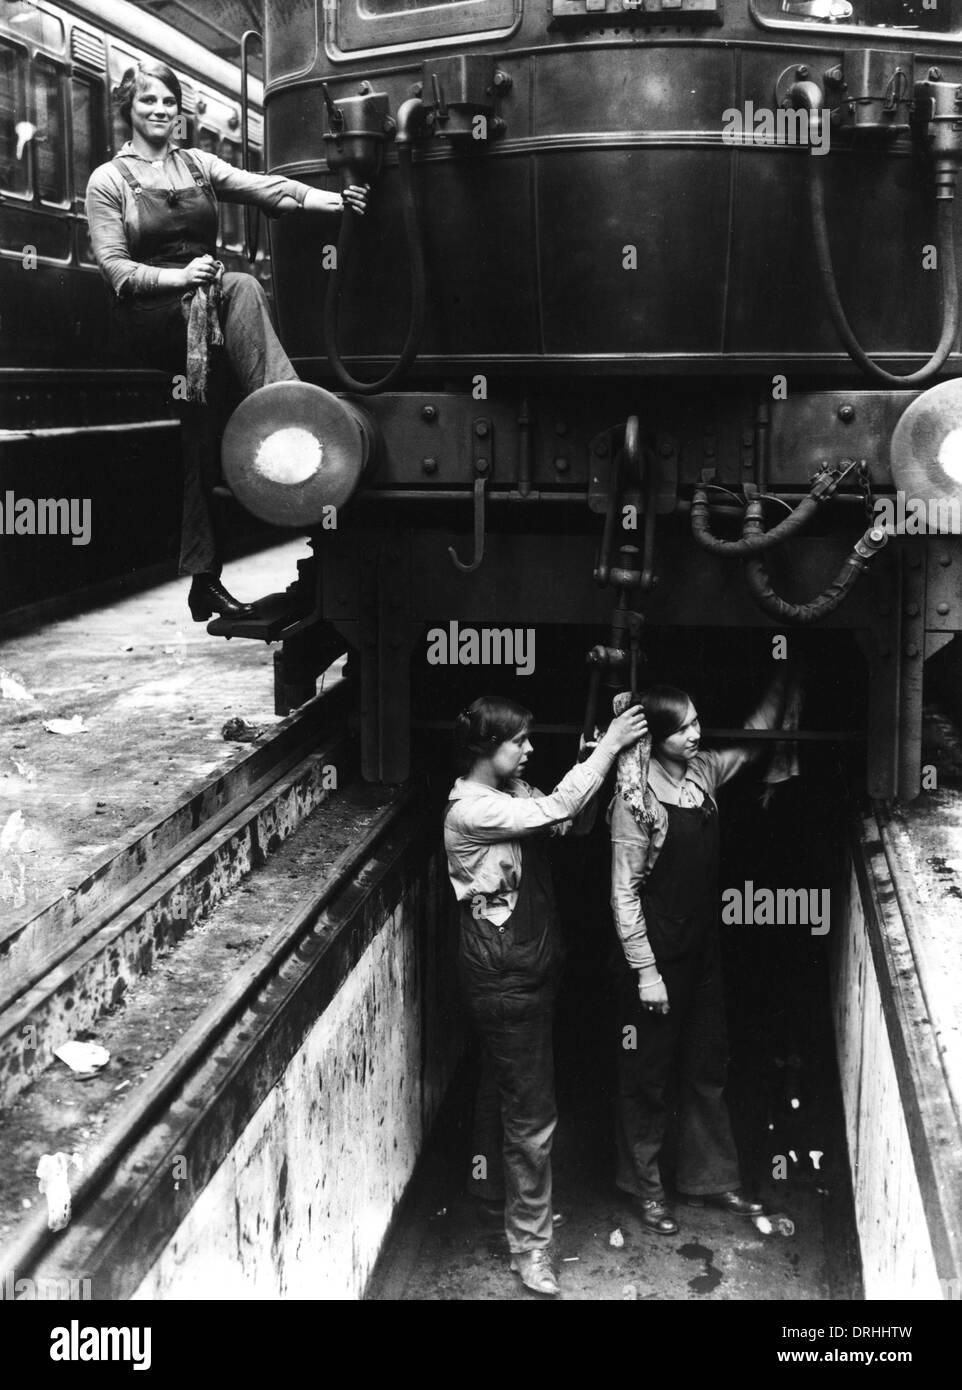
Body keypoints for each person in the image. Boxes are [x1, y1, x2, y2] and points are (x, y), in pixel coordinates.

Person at [85, 61, 368, 621]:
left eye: (168, 102)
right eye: (147, 102)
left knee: (202, 429)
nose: (160, 111)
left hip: (202, 314)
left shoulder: (197, 165)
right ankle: (295, 414)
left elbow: (270, 190)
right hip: (152, 313)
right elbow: (117, 272)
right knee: (239, 282)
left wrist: (335, 201)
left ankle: (202, 581)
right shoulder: (109, 181)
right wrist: (181, 277)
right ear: (128, 109)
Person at [444, 695, 647, 1296]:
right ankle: (530, 1249)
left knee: (502, 1082)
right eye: (521, 741)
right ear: (489, 748)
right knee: (532, 1117)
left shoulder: (513, 796)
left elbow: (566, 821)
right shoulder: (473, 811)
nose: (530, 749)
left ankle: (489, 1194)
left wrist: (592, 764)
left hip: (524, 965)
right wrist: (609, 748)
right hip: (504, 975)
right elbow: (560, 805)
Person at [609, 672, 788, 1234]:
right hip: (656, 954)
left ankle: (712, 1179)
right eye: (683, 727)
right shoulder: (636, 802)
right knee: (648, 1073)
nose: (696, 733)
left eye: (696, 722)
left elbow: (752, 740)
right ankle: (647, 1190)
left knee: (707, 1063)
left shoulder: (702, 775)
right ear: (656, 736)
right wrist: (645, 973)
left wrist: (782, 682)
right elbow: (623, 893)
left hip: (702, 950)